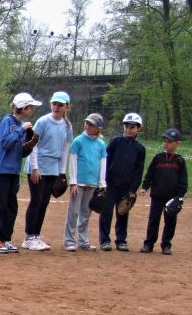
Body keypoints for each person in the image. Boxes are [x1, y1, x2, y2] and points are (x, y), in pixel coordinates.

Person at [0, 92, 41, 253]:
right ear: (23, 108)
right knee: (0, 205)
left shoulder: (21, 125)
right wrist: (20, 131)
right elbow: (5, 143)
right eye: (30, 107)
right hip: (2, 171)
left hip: (14, 172)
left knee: (11, 206)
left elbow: (19, 151)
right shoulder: (7, 121)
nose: (31, 110)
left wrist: (29, 147)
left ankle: (5, 238)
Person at [22, 90, 73, 251]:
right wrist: (35, 168)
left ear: (67, 107)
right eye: (54, 104)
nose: (56, 107)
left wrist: (62, 172)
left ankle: (36, 235)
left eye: (60, 105)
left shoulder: (67, 126)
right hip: (38, 166)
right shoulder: (43, 122)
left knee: (44, 202)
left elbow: (65, 150)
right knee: (36, 201)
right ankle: (29, 237)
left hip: (53, 168)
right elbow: (33, 145)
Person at [99, 112, 146, 251]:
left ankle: (121, 240)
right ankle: (104, 240)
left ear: (139, 128)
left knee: (123, 212)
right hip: (111, 183)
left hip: (126, 186)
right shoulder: (116, 141)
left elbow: (139, 170)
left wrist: (133, 189)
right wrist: (104, 181)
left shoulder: (140, 148)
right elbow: (106, 161)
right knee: (106, 212)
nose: (129, 129)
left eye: (133, 127)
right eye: (127, 126)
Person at [140, 127, 188, 255]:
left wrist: (180, 196)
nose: (166, 144)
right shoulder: (158, 158)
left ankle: (166, 245)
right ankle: (148, 244)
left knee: (170, 222)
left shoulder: (180, 161)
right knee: (153, 220)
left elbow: (183, 181)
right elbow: (149, 174)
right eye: (165, 141)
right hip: (157, 196)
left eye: (169, 141)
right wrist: (145, 187)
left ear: (177, 143)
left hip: (171, 198)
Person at [63, 113, 108, 251]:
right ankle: (69, 241)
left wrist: (101, 183)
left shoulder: (101, 144)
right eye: (87, 123)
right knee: (74, 212)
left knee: (86, 213)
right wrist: (73, 181)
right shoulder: (78, 141)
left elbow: (102, 163)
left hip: (92, 184)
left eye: (91, 124)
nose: (88, 126)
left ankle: (83, 241)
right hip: (79, 183)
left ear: (98, 128)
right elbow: (73, 162)